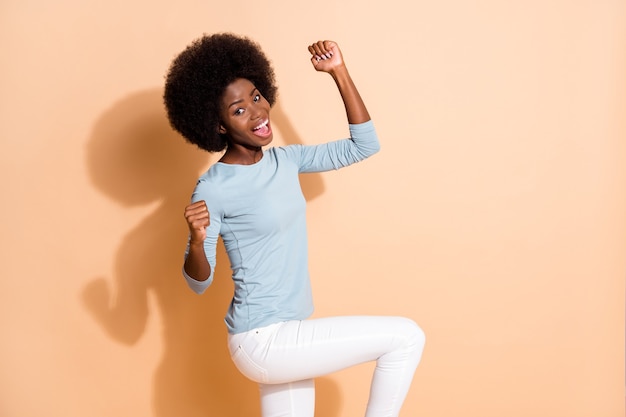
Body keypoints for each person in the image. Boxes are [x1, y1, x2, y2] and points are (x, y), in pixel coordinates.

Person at [163, 33, 425, 417]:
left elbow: (364, 146)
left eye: (256, 97)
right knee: (406, 337)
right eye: (238, 110)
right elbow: (198, 283)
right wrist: (198, 240)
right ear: (217, 126)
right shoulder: (213, 188)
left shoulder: (286, 161)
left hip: (289, 331)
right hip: (262, 340)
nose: (256, 112)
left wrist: (338, 71)